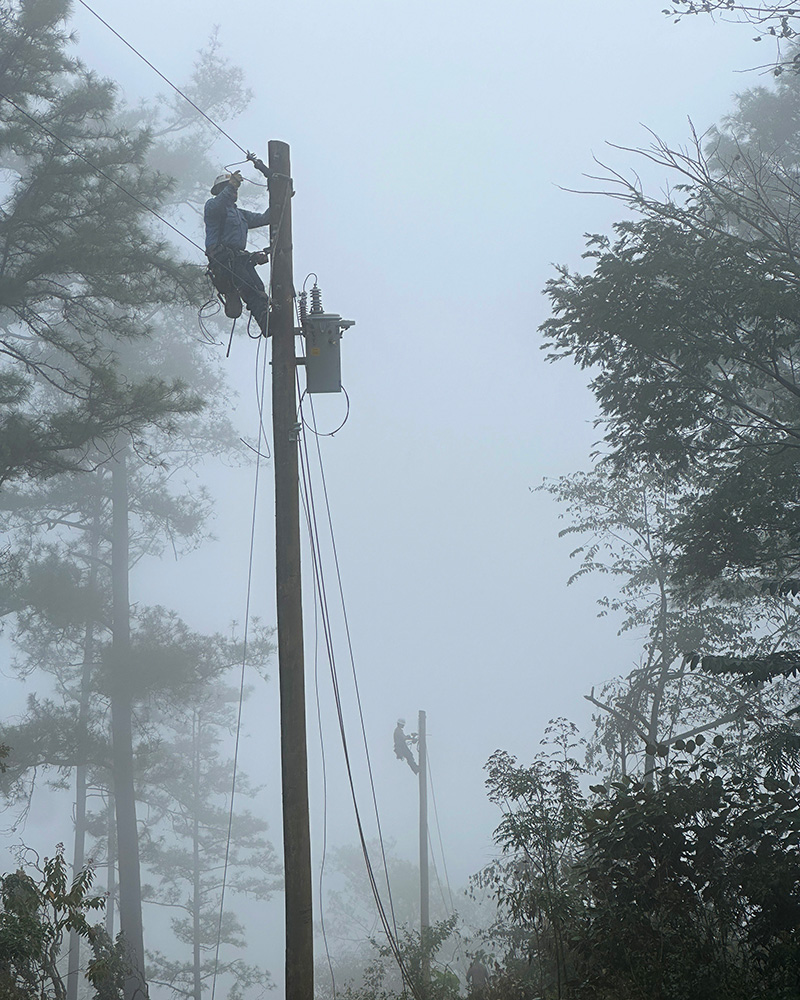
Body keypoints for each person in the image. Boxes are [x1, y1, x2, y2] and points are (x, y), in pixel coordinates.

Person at [204, 168, 270, 334]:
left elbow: (265, 218)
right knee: (249, 286)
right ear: (220, 190)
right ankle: (265, 320)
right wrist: (231, 186)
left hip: (237, 258)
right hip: (223, 259)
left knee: (258, 285)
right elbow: (220, 203)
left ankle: (267, 321)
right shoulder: (212, 207)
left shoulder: (240, 215)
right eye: (228, 187)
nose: (233, 191)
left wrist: (280, 199)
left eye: (233, 187)